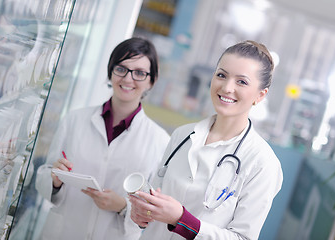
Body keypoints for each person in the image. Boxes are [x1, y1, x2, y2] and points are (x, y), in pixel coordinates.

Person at [129, 40, 283, 240]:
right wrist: (142, 212)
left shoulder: (263, 163)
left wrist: (182, 220)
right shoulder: (182, 136)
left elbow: (243, 238)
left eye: (242, 82)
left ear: (260, 95)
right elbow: (155, 200)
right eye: (221, 75)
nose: (227, 87)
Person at [35, 37, 170, 240]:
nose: (128, 79)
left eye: (140, 73)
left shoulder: (160, 141)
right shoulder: (75, 119)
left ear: (151, 81)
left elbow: (155, 212)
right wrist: (55, 181)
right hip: (63, 232)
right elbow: (44, 174)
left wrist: (123, 206)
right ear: (110, 71)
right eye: (121, 68)